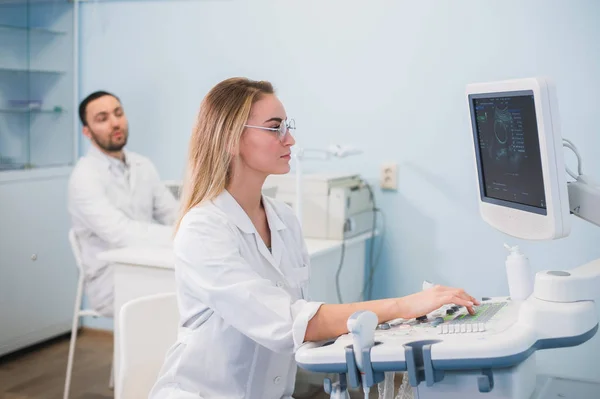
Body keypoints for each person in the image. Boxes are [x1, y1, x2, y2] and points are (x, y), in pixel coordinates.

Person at [149, 78, 480, 399]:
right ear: (230, 139)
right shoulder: (203, 230)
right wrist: (403, 306)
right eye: (275, 127)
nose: (289, 140)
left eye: (288, 127)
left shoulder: (283, 219)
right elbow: (289, 323)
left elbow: (302, 325)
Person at [68, 91, 178, 317]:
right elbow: (122, 234)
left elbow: (172, 212)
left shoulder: (142, 165)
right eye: (103, 118)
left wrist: (193, 228)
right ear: (87, 132)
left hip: (147, 263)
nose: (115, 122)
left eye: (118, 113)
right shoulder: (84, 177)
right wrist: (181, 236)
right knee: (188, 292)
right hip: (110, 279)